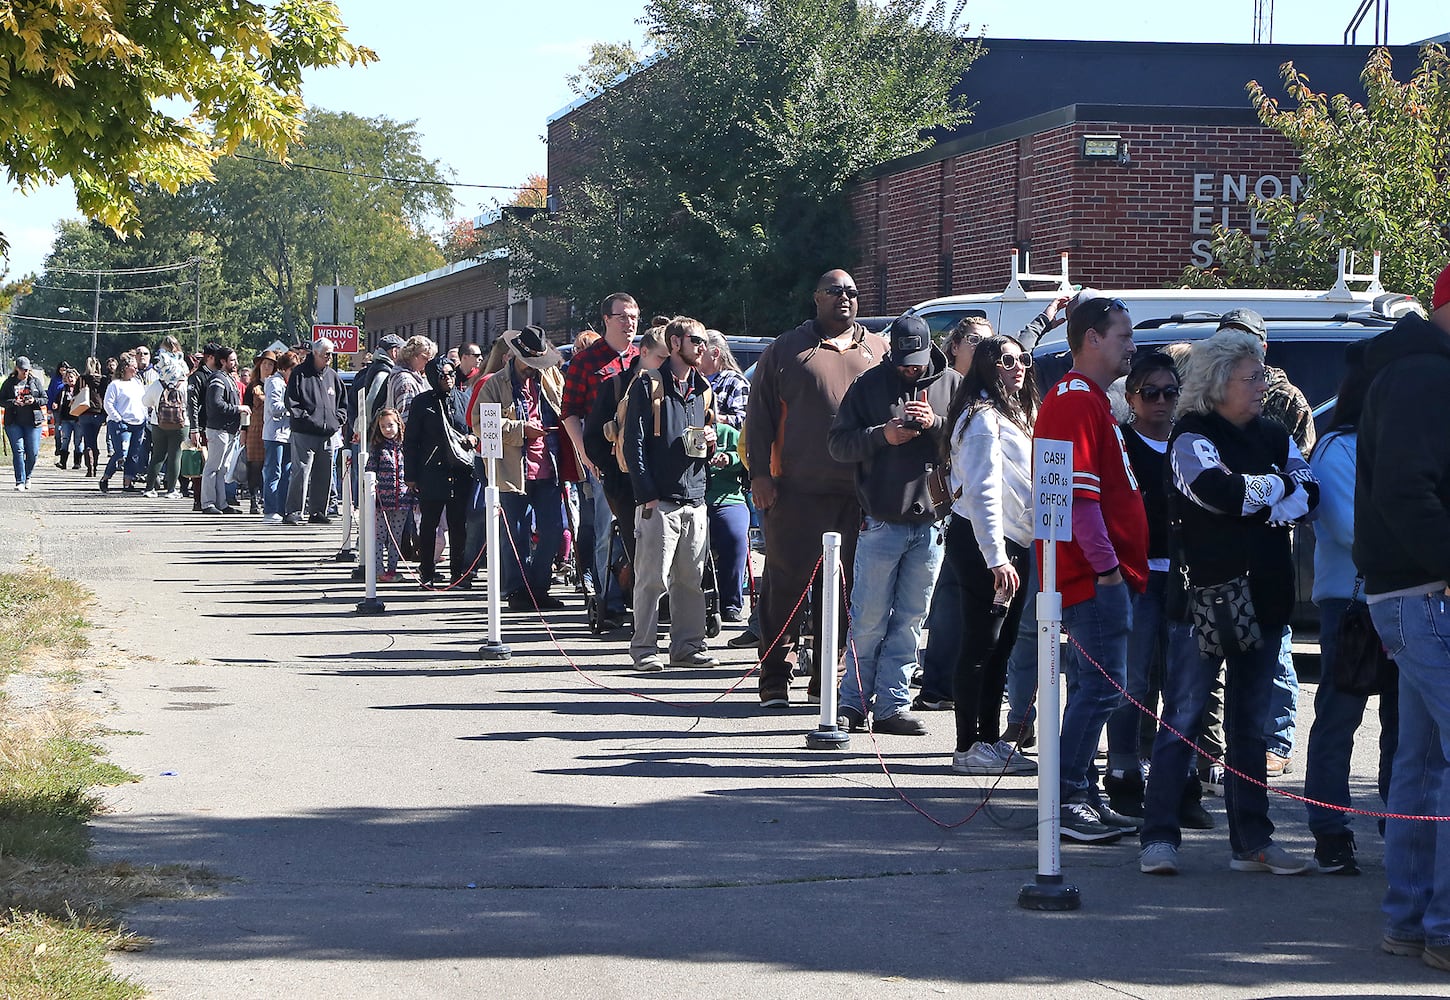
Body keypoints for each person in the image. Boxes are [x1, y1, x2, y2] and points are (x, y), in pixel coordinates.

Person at [1138, 328, 1318, 877]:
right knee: (1185, 717)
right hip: (1203, 601)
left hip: (1266, 597)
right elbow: (1218, 492)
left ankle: (1253, 841)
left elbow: (1310, 492)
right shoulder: (1191, 434)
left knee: (1251, 724)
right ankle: (1159, 837)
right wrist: (1273, 491)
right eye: (1252, 378)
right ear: (1219, 384)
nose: (1264, 386)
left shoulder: (1273, 431)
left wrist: (1264, 493)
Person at [1355, 262, 1450, 966]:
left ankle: (1411, 918)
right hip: (1425, 592)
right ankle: (1440, 925)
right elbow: (1405, 488)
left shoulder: (1411, 368)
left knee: (1418, 763)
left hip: (1409, 592)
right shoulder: (1426, 374)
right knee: (1425, 762)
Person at [1032, 296, 1148, 843]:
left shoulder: (1091, 400)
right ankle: (1067, 793)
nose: (1132, 346)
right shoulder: (1076, 400)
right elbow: (1079, 502)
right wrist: (1107, 571)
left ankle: (1079, 790)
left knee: (1091, 686)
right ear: (1092, 339)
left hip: (1089, 573)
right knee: (1103, 689)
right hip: (1090, 576)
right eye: (1123, 335)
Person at [747, 269, 889, 708]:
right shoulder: (788, 349)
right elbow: (760, 416)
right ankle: (774, 678)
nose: (844, 298)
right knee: (785, 585)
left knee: (845, 590)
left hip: (860, 494)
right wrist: (760, 476)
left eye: (851, 292)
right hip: (794, 490)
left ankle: (828, 677)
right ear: (816, 298)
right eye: (834, 291)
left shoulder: (878, 349)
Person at [826, 316, 958, 734]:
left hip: (932, 523)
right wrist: (883, 435)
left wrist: (935, 423)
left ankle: (891, 706)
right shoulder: (867, 386)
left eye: (917, 363)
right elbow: (838, 444)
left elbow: (969, 440)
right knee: (868, 619)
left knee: (911, 620)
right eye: (903, 362)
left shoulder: (953, 384)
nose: (910, 369)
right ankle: (853, 703)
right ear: (891, 353)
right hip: (881, 520)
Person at [1302, 342, 1396, 877]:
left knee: (1404, 724)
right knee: (1340, 719)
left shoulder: (1398, 440)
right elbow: (1348, 530)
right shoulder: (1337, 446)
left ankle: (1401, 825)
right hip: (1353, 603)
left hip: (1405, 596)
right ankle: (1330, 830)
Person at [1217, 307, 1312, 779]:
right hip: (1220, 544)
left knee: (1275, 647)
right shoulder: (1206, 397)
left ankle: (1276, 740)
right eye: (1226, 339)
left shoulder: (1286, 401)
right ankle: (1219, 741)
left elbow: (1302, 479)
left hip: (1271, 537)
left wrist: (1256, 491)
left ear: (1262, 346)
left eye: (1243, 340)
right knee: (1219, 643)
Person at [939, 334, 1038, 772]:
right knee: (982, 644)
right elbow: (982, 493)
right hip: (984, 543)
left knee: (1002, 646)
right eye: (1008, 360)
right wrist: (996, 558)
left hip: (1014, 541)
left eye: (1024, 359)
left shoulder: (1010, 412)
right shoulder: (981, 419)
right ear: (986, 366)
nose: (1019, 367)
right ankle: (968, 746)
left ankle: (991, 740)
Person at [1103, 352, 1181, 818]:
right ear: (1131, 397)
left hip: (1182, 575)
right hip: (1135, 574)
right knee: (1132, 679)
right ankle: (1123, 772)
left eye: (1170, 392)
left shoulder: (1189, 444)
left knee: (1181, 680)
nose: (1160, 401)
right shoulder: (1121, 443)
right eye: (1149, 392)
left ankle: (1175, 778)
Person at [622, 316, 720, 672]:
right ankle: (645, 649)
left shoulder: (702, 388)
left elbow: (703, 437)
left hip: (695, 498)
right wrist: (646, 494)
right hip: (658, 501)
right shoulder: (647, 385)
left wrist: (710, 443)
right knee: (651, 581)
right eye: (696, 340)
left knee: (691, 580)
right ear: (675, 343)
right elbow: (632, 443)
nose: (703, 347)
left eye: (705, 341)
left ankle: (688, 647)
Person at [562, 293, 641, 629]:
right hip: (603, 461)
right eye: (622, 316)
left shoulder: (643, 358)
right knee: (606, 530)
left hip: (639, 462)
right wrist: (585, 455)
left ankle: (641, 598)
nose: (630, 323)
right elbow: (570, 414)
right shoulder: (587, 362)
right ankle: (607, 603)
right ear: (606, 319)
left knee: (642, 531)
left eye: (634, 316)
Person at [477, 326, 568, 611]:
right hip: (511, 472)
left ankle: (538, 587)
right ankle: (518, 591)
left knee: (554, 529)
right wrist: (520, 430)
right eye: (529, 363)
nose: (533, 369)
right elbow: (483, 426)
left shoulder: (552, 377)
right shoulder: (494, 384)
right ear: (515, 357)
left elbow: (568, 409)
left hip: (549, 467)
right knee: (514, 535)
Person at [403, 356, 476, 587]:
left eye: (451, 374)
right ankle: (426, 571)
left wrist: (473, 438)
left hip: (460, 470)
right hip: (431, 471)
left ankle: (458, 572)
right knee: (429, 524)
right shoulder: (422, 403)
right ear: (433, 376)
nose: (448, 378)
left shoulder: (464, 399)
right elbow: (411, 441)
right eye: (442, 375)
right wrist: (411, 476)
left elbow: (474, 428)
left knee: (458, 524)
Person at [284, 337, 346, 525]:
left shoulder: (333, 376)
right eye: (326, 354)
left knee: (324, 473)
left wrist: (337, 421)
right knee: (301, 471)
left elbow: (343, 404)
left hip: (327, 434)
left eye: (331, 354)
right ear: (316, 353)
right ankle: (293, 511)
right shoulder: (300, 374)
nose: (329, 357)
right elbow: (292, 402)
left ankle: (318, 511)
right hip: (304, 433)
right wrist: (307, 420)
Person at [707, 413, 749, 623]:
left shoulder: (728, 434)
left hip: (728, 498)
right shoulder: (682, 431)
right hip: (691, 499)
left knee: (735, 538)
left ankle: (731, 603)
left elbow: (747, 459)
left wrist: (730, 458)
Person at [141, 344, 191, 498]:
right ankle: (171, 490)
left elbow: (145, 402)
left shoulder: (158, 384)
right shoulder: (184, 385)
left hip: (158, 423)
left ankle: (149, 488)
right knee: (175, 455)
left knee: (157, 455)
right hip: (181, 424)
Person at [365, 407, 408, 583]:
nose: (387, 429)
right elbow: (370, 469)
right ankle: (378, 569)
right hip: (381, 502)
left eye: (390, 425)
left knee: (395, 538)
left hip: (403, 500)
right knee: (378, 537)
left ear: (398, 424)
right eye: (383, 427)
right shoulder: (377, 448)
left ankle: (392, 569)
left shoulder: (406, 447)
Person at [200, 347, 243, 515]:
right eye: (232, 360)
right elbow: (216, 404)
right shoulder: (217, 378)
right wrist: (238, 408)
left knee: (222, 469)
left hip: (229, 430)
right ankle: (208, 503)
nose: (235, 363)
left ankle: (221, 503)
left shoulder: (228, 378)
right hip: (218, 429)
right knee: (212, 467)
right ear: (223, 361)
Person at [99, 352, 147, 493]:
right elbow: (108, 404)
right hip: (121, 424)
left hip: (138, 423)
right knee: (122, 453)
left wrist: (145, 416)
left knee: (134, 453)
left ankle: (128, 482)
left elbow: (143, 401)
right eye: (133, 367)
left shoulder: (137, 383)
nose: (136, 370)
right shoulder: (115, 385)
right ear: (125, 368)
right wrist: (118, 418)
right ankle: (106, 478)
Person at [1, 356, 47, 490]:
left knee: (32, 452)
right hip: (14, 422)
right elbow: (1, 400)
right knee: (18, 450)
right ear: (17, 369)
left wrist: (34, 400)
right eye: (22, 369)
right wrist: (13, 402)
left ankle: (28, 476)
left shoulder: (35, 382)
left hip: (33, 422)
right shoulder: (9, 383)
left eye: (27, 369)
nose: (25, 372)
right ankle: (19, 481)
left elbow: (44, 399)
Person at [261, 351, 295, 524]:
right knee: (274, 472)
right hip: (275, 434)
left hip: (287, 434)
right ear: (285, 368)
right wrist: (292, 406)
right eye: (292, 370)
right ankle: (270, 509)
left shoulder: (285, 382)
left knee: (286, 473)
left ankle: (281, 508)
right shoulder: (275, 382)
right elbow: (275, 407)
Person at [240, 353, 275, 513]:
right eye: (265, 364)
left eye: (270, 364)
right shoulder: (252, 386)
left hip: (272, 429)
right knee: (254, 465)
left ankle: (265, 497)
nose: (267, 367)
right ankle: (253, 499)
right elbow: (245, 410)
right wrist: (243, 432)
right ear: (259, 365)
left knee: (269, 466)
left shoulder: (276, 384)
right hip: (254, 429)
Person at [699, 330, 749, 428]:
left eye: (702, 352)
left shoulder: (736, 382)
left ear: (715, 353)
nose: (697, 355)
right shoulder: (693, 381)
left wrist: (712, 418)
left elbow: (744, 421)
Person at [387, 335, 435, 428]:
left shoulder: (400, 373)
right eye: (425, 358)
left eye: (430, 358)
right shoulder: (405, 380)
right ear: (412, 355)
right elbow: (406, 416)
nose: (428, 362)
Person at [75, 357, 106, 478]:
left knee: (88, 440)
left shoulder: (82, 379)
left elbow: (76, 395)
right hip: (98, 412)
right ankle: (95, 464)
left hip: (84, 411)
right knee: (95, 439)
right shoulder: (103, 380)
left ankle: (90, 467)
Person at [52, 364, 82, 471]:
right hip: (66, 419)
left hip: (78, 419)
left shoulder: (81, 390)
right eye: (68, 377)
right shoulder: (63, 390)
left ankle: (77, 463)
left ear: (76, 378)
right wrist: (55, 404)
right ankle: (62, 462)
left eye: (71, 377)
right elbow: (57, 400)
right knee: (65, 439)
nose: (70, 379)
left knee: (78, 441)